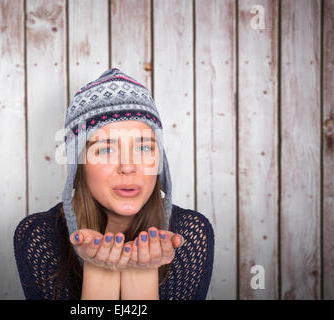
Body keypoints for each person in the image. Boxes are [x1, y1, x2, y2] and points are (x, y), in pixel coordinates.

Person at [13, 68, 214, 300]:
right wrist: (100, 272)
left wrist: (141, 275)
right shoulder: (39, 236)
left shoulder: (189, 234)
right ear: (79, 164)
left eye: (143, 147)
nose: (128, 167)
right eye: (106, 149)